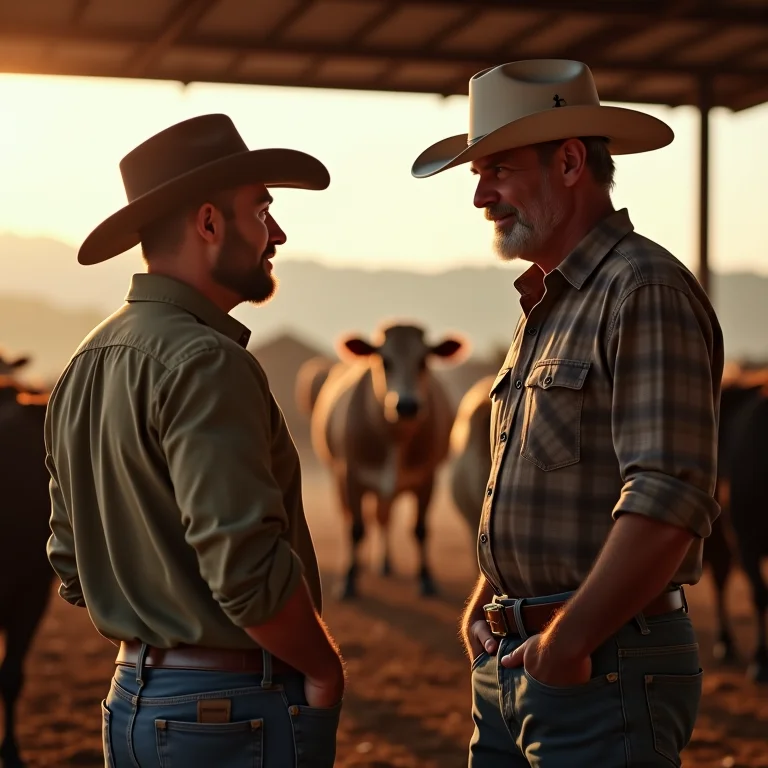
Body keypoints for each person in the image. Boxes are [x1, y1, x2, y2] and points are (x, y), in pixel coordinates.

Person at [412, 60, 723, 766]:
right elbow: (552, 482)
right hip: (522, 657)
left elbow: (667, 497)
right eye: (477, 177)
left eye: (499, 171)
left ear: (572, 161)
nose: (481, 197)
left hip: (598, 666)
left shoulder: (643, 290)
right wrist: (488, 599)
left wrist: (569, 640)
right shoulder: (548, 305)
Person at [44, 114, 345, 768]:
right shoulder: (208, 361)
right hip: (231, 713)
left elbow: (70, 566)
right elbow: (247, 571)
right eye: (262, 210)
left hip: (133, 703)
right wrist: (324, 671)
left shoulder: (84, 363)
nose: (278, 233)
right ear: (210, 224)